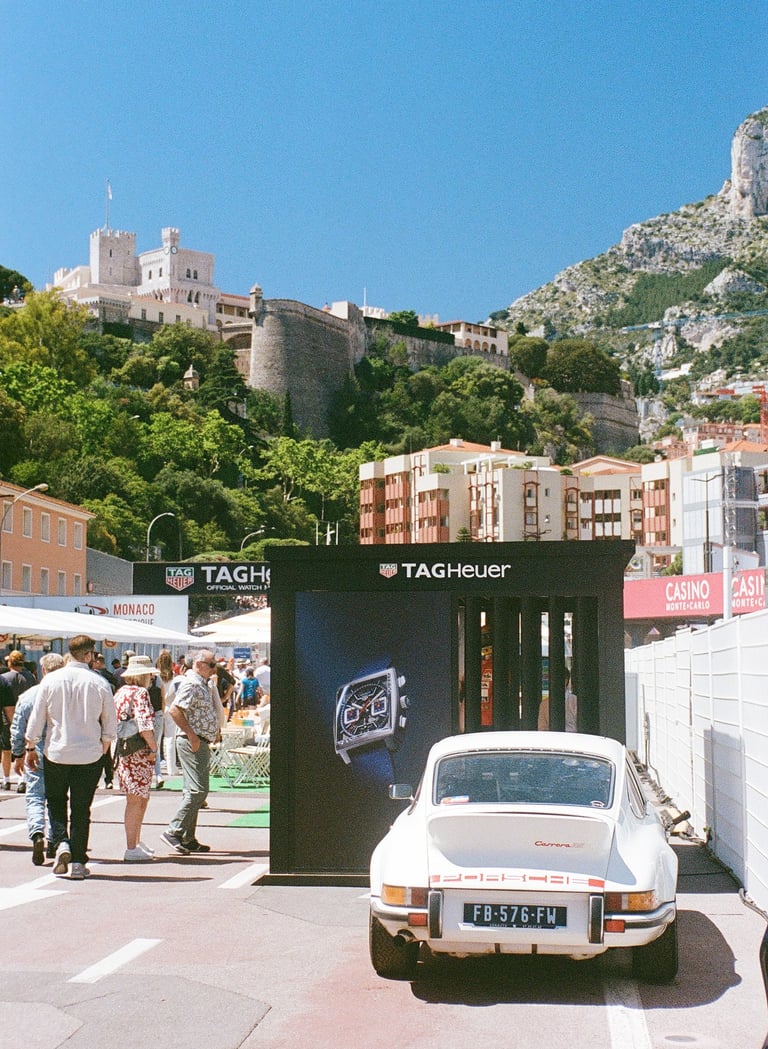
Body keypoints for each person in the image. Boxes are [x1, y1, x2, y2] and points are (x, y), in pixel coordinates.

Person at [25, 635, 116, 880]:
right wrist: (105, 745)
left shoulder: (50, 680)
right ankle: (78, 861)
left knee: (55, 801)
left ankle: (61, 843)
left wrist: (30, 746)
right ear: (88, 655)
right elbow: (110, 720)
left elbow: (37, 718)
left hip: (57, 750)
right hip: (89, 752)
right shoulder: (99, 683)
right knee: (81, 808)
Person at [10, 652, 68, 865]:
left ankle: (37, 833)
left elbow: (17, 729)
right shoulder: (66, 696)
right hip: (59, 752)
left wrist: (18, 754)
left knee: (35, 796)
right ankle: (54, 839)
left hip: (34, 751)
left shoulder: (28, 696)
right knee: (57, 797)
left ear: (43, 670)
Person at [161, 649, 221, 855]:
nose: (215, 668)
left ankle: (187, 837)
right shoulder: (192, 684)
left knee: (193, 790)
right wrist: (192, 736)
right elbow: (175, 710)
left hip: (198, 739)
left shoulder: (203, 684)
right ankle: (174, 830)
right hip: (191, 741)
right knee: (198, 790)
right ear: (199, 665)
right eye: (212, 664)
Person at [113, 654, 160, 862]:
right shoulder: (141, 693)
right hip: (138, 752)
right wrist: (153, 747)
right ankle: (131, 846)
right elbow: (144, 724)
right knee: (137, 800)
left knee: (138, 798)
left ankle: (135, 842)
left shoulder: (121, 692)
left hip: (124, 750)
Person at [1, 650, 33, 790]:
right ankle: (22, 779)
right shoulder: (30, 677)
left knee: (6, 750)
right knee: (25, 748)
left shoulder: (4, 678)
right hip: (27, 716)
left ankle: (6, 779)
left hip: (6, 718)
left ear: (10, 662)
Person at [92, 652, 117, 788]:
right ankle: (109, 779)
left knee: (95, 750)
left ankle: (95, 780)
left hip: (94, 717)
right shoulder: (110, 677)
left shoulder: (92, 678)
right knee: (106, 751)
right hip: (105, 715)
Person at [154, 650, 176, 787]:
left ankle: (158, 767)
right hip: (172, 707)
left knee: (157, 740)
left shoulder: (156, 676)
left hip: (160, 708)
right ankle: (171, 767)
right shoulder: (174, 676)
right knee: (170, 738)